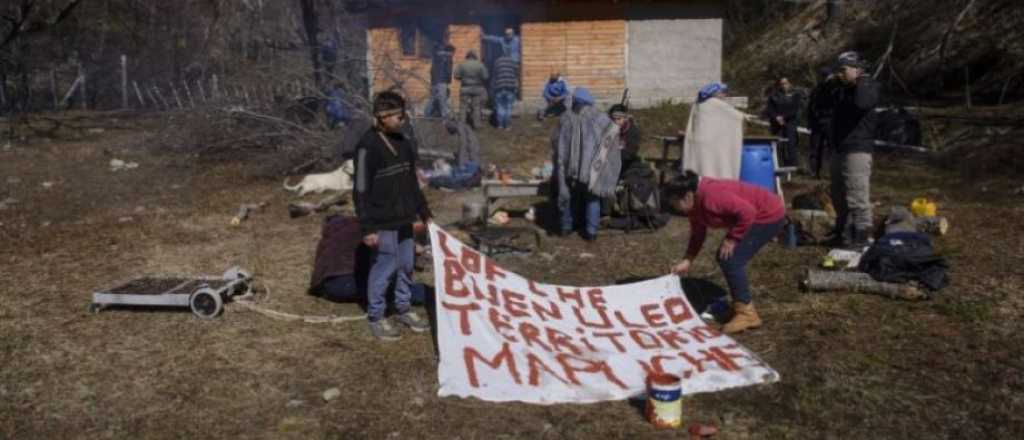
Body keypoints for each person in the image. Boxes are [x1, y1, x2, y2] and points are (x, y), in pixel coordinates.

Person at [354, 91, 433, 341]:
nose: (403, 119)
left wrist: (424, 213)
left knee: (407, 265)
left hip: (405, 218)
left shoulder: (403, 141)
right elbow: (360, 190)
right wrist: (367, 228)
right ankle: (376, 316)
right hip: (382, 220)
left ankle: (403, 308)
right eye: (399, 115)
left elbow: (411, 182)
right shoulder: (367, 147)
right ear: (383, 117)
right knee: (385, 266)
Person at [667, 170, 785, 334]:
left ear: (687, 196)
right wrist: (688, 259)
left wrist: (733, 238)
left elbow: (747, 212)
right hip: (756, 214)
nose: (673, 207)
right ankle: (741, 306)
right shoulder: (694, 204)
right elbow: (698, 233)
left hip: (767, 214)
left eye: (674, 202)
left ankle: (747, 313)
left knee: (731, 259)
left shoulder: (712, 197)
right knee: (727, 257)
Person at [308, 215, 433, 307]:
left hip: (323, 284)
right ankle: (431, 295)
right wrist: (413, 248)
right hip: (342, 284)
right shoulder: (372, 228)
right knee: (402, 289)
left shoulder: (345, 226)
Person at [553, 87, 621, 241]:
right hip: (591, 168)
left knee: (568, 195)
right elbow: (613, 132)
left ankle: (566, 227)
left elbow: (556, 141)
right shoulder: (599, 118)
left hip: (570, 166)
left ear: (575, 101)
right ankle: (591, 232)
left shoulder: (566, 117)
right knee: (592, 197)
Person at [828, 51, 880, 248]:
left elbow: (862, 103)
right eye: (838, 70)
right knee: (838, 194)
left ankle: (862, 235)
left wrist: (861, 79)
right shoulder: (843, 90)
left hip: (858, 148)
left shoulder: (868, 87)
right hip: (839, 147)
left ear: (858, 70)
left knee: (857, 194)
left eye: (843, 70)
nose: (839, 74)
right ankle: (843, 232)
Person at [682, 82, 748, 179]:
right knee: (715, 168)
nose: (725, 94)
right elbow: (737, 117)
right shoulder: (718, 104)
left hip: (700, 143)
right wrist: (745, 117)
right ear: (715, 93)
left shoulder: (698, 104)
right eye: (722, 92)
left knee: (702, 168)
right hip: (711, 144)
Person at [765, 77, 805, 170]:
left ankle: (793, 166)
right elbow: (770, 109)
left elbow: (795, 109)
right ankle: (778, 165)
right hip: (777, 123)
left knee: (791, 144)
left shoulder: (796, 94)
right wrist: (776, 117)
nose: (784, 85)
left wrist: (784, 117)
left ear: (789, 83)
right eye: (781, 83)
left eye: (785, 83)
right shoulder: (774, 96)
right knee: (779, 145)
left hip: (790, 122)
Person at [807, 67, 838, 179]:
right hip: (817, 121)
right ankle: (814, 171)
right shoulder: (817, 89)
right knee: (815, 147)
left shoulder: (835, 87)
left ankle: (833, 172)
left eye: (826, 76)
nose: (824, 78)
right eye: (823, 76)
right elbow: (811, 105)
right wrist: (810, 121)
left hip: (831, 120)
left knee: (832, 148)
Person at [454, 50, 489, 129]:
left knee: (463, 106)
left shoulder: (462, 65)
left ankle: (461, 124)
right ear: (475, 56)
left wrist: (462, 78)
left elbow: (456, 75)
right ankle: (477, 124)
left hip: (465, 87)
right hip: (477, 88)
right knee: (476, 106)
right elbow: (485, 76)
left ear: (467, 56)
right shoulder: (480, 65)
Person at [425, 33, 455, 119]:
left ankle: (427, 114)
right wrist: (448, 53)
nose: (452, 54)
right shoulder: (439, 50)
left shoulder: (442, 55)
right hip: (440, 79)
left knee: (434, 97)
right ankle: (444, 116)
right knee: (442, 98)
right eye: (447, 39)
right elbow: (440, 53)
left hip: (437, 79)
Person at [608, 104, 643, 176]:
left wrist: (613, 155)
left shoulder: (632, 131)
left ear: (625, 118)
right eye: (613, 119)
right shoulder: (608, 129)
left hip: (626, 165)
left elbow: (630, 153)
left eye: (619, 119)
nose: (616, 122)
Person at [491, 54, 519, 130]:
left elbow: (494, 76)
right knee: (508, 106)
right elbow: (516, 74)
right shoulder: (513, 62)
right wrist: (516, 87)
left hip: (499, 87)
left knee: (500, 106)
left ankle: (500, 125)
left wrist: (493, 88)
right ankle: (507, 126)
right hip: (510, 87)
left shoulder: (497, 62)